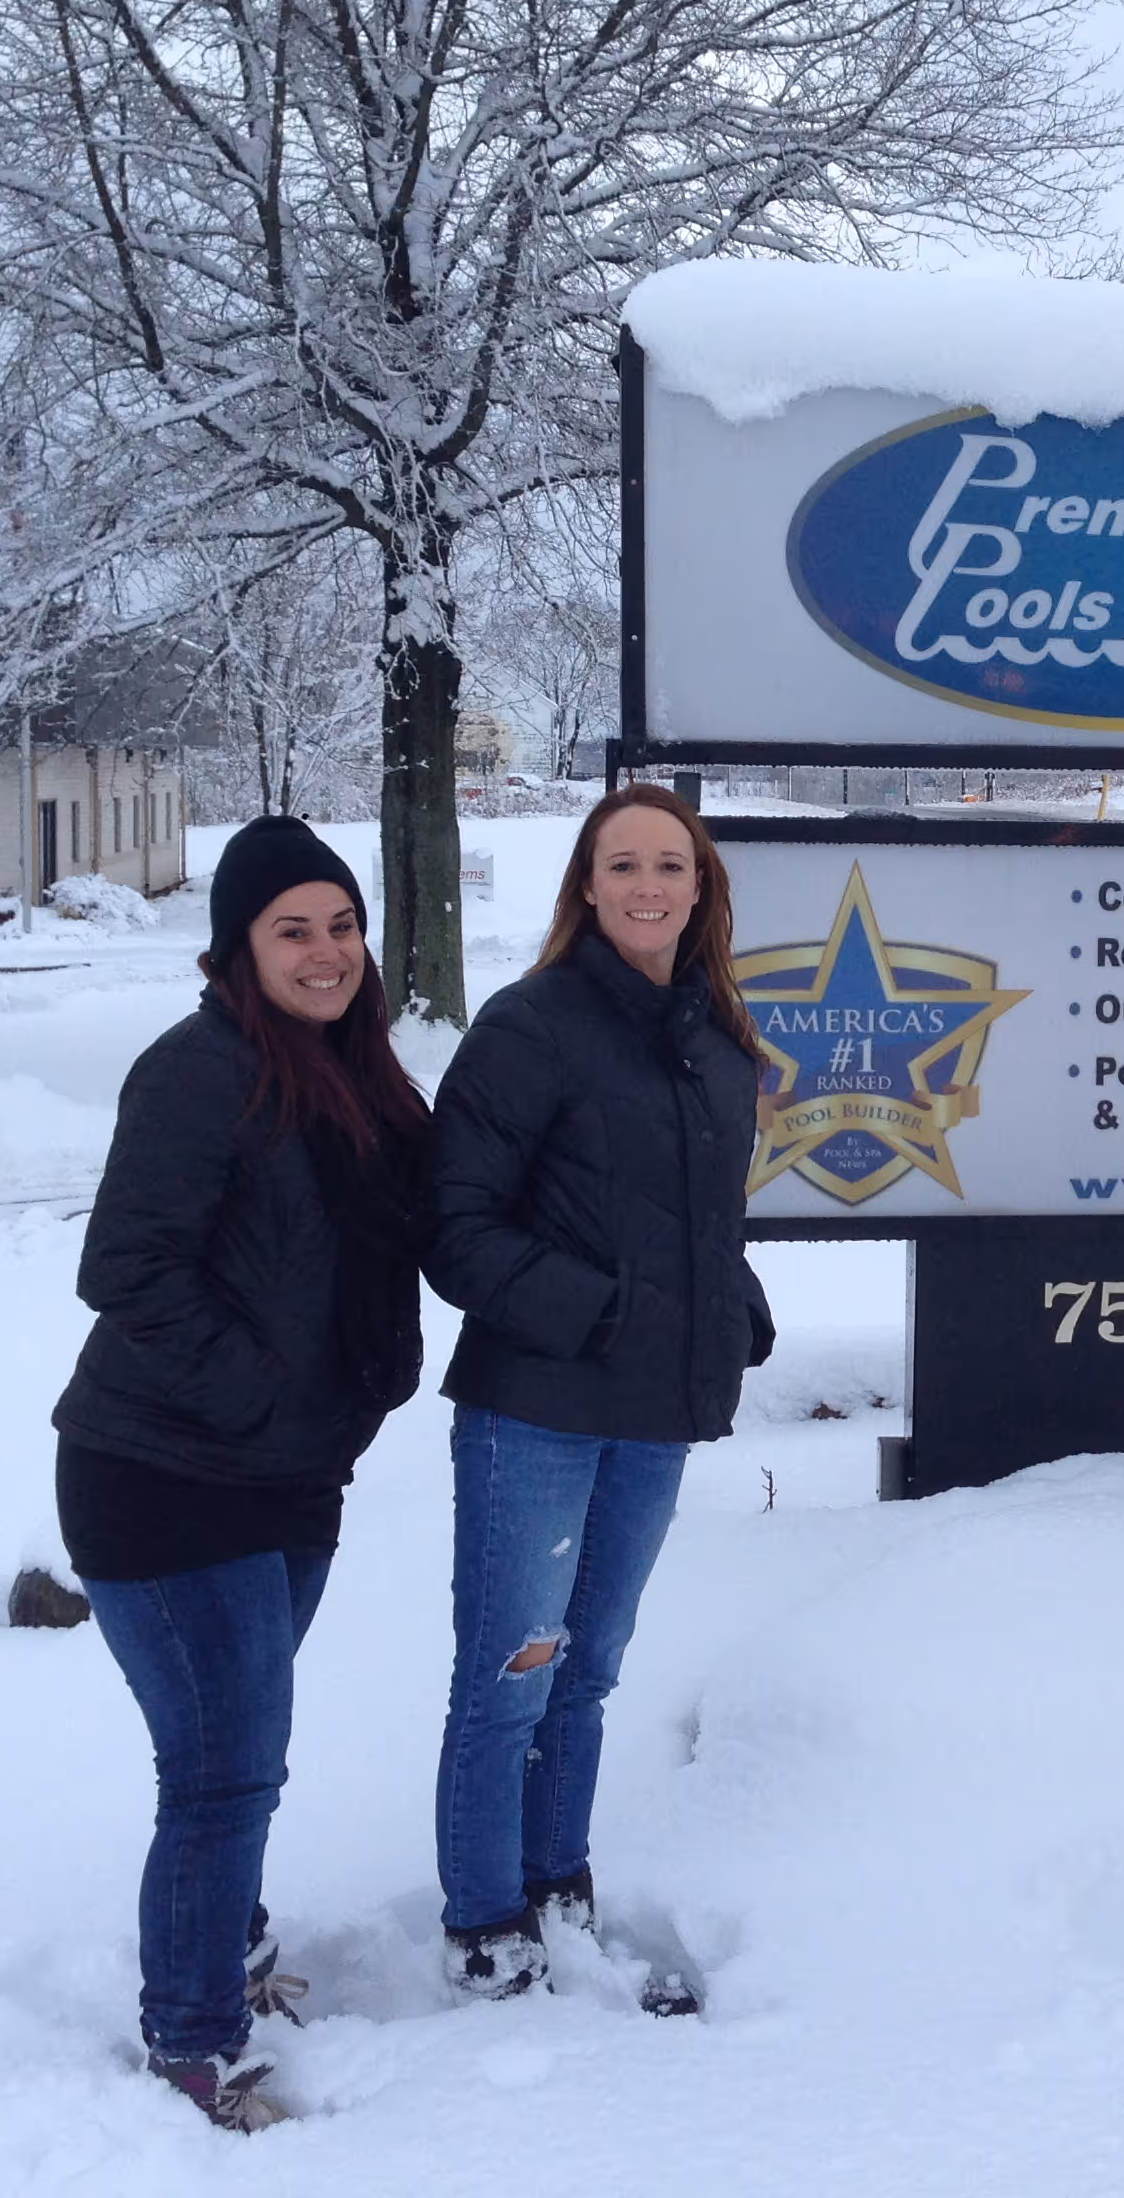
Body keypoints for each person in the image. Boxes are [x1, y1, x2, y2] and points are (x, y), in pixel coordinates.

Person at [52, 817, 433, 2133]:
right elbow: (126, 1270)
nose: (327, 953)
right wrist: (264, 1399)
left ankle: (234, 1955)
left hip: (288, 1476)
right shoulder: (198, 1072)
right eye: (293, 930)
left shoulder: (357, 1069)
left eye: (341, 924)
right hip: (164, 1475)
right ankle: (193, 2044)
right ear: (237, 949)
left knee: (235, 1756)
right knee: (222, 1774)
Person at [424, 783, 776, 1999]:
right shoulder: (533, 1026)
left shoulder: (717, 1039)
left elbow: (692, 1218)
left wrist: (732, 1300)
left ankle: (556, 1886)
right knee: (513, 1670)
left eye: (669, 865)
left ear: (700, 886)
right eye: (621, 864)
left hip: (652, 1419)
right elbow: (454, 1226)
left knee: (589, 1671)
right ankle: (484, 1923)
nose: (646, 885)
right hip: (538, 1410)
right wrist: (608, 1311)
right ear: (585, 882)